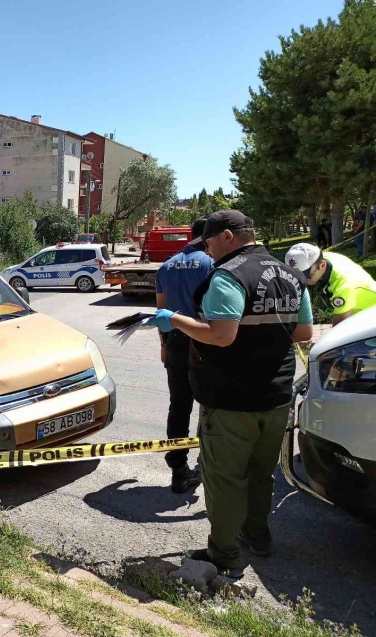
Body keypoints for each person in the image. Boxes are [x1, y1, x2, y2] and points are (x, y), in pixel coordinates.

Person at [147, 210, 313, 575]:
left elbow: (222, 335)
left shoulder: (228, 276)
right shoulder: (292, 275)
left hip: (232, 400)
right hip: (278, 398)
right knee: (260, 473)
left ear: (226, 236)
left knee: (223, 480)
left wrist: (173, 320)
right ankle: (258, 535)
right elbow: (303, 334)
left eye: (207, 242)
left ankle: (224, 556)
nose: (207, 250)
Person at [154, 218, 214, 493]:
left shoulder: (167, 266)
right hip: (205, 340)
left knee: (179, 406)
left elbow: (161, 314)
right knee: (212, 405)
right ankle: (210, 465)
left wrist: (164, 345)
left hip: (176, 341)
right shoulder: (211, 264)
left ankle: (179, 471)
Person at [285, 243, 376, 325]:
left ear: (323, 265)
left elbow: (339, 330)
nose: (303, 281)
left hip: (369, 316)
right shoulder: (321, 258)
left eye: (307, 276)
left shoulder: (343, 287)